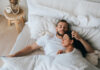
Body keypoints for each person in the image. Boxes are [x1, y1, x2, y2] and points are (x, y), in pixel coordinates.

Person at [8, 19, 94, 57]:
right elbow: (30, 47)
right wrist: (15, 55)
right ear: (56, 28)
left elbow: (91, 51)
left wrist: (80, 39)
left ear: (68, 29)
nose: (62, 28)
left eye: (65, 27)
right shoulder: (48, 37)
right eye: (60, 26)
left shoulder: (72, 39)